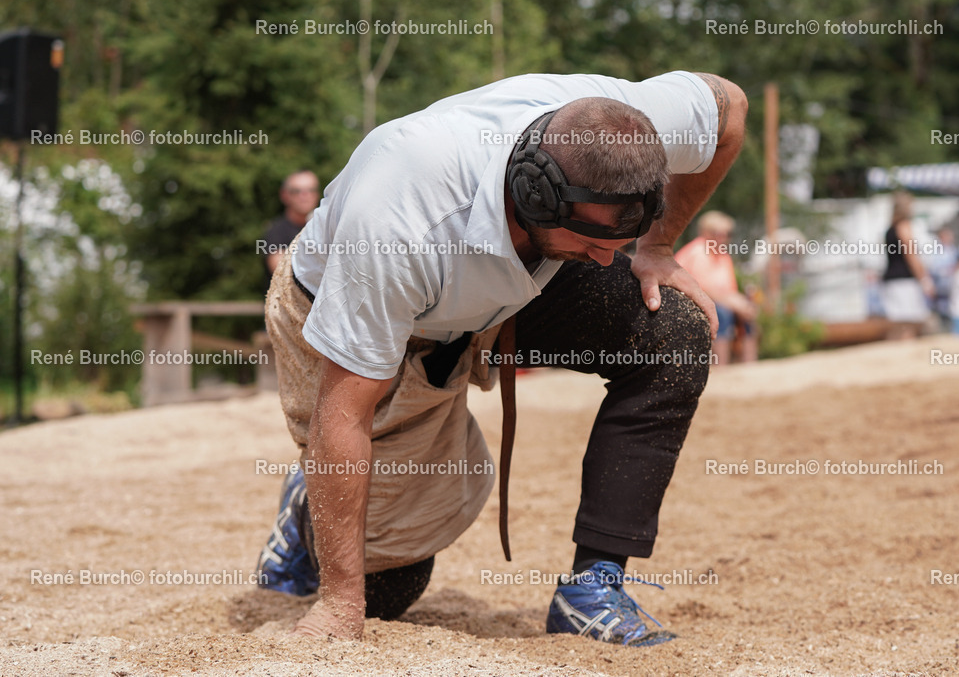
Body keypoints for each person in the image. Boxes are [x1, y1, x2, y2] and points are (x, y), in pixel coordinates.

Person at [256, 71, 746, 647]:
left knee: (675, 333)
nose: (604, 259)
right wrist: (340, 606)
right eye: (594, 243)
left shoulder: (625, 124)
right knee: (388, 593)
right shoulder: (400, 218)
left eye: (614, 243)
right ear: (536, 194)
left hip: (510, 284)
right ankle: (305, 504)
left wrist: (657, 245)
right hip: (364, 310)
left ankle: (592, 586)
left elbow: (729, 109)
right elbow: (344, 414)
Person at [674, 211, 757, 364]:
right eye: (718, 233)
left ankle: (749, 366)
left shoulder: (723, 255)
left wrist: (743, 305)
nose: (723, 238)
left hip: (716, 299)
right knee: (722, 314)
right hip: (687, 301)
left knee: (747, 313)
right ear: (705, 232)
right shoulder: (698, 251)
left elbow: (729, 290)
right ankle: (720, 367)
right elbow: (701, 288)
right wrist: (733, 304)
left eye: (727, 234)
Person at [881, 192, 934, 339]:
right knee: (909, 325)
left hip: (891, 281)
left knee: (897, 325)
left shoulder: (889, 229)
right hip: (904, 283)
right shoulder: (904, 226)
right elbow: (911, 255)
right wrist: (925, 280)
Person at [261, 170, 321, 288]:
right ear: (284, 195)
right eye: (297, 191)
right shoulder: (276, 231)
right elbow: (282, 273)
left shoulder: (325, 228)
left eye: (311, 190)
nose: (305, 196)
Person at [928, 226, 958, 329]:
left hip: (951, 289)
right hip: (939, 289)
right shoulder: (935, 250)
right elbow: (933, 269)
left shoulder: (954, 250)